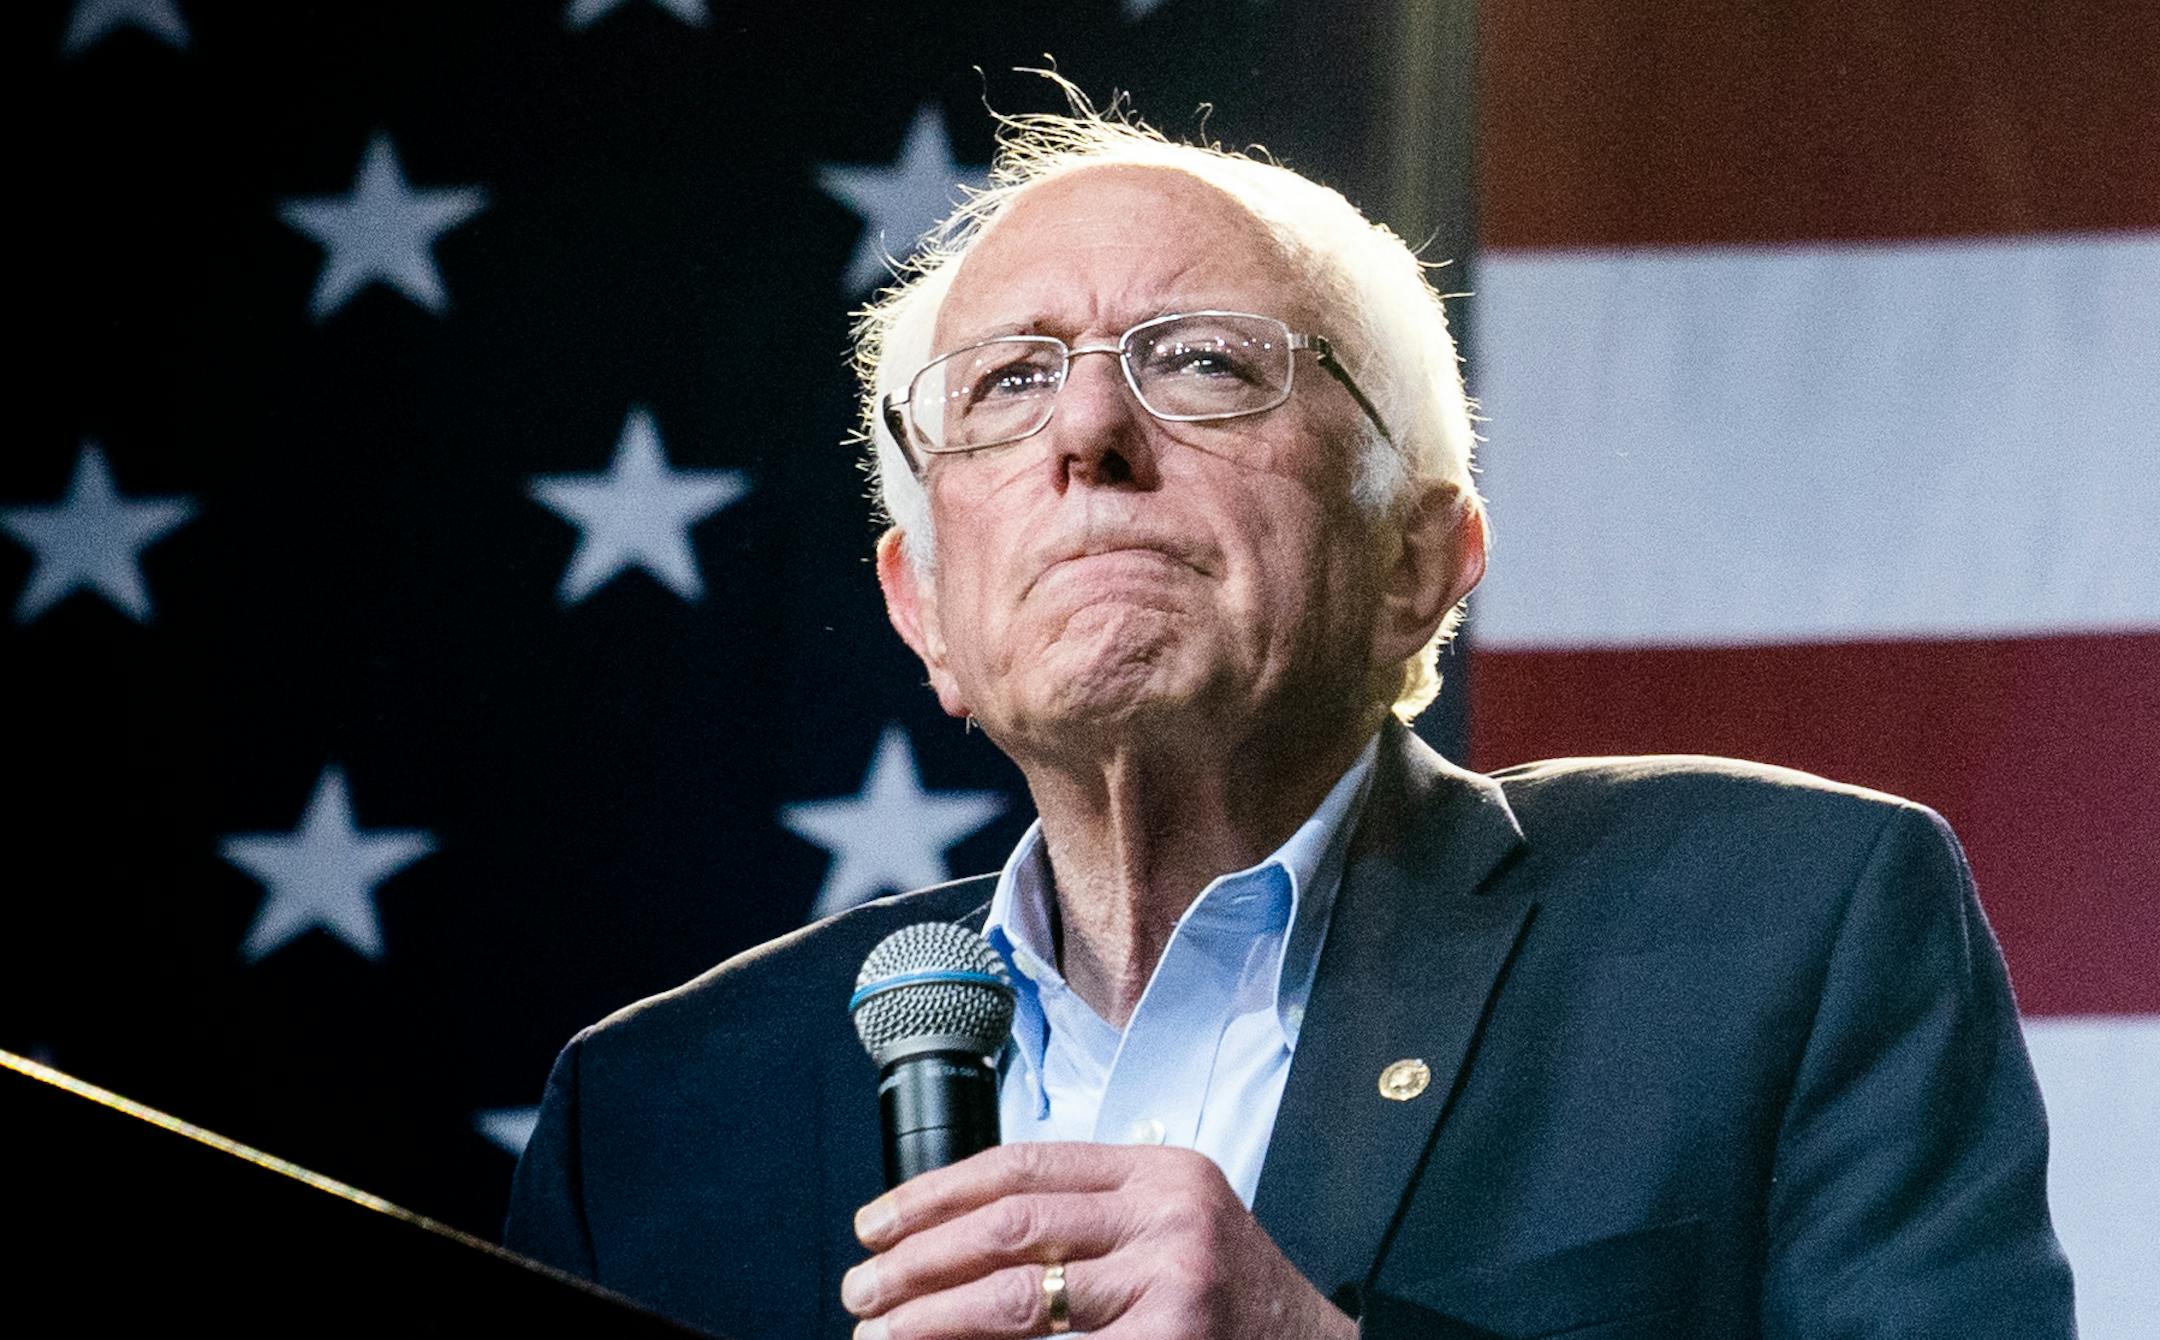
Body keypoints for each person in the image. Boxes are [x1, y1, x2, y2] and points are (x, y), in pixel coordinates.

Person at [505, 103, 2074, 1339]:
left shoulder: (1782, 931)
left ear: (1416, 564)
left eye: (1202, 364)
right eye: (1005, 386)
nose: (1092, 431)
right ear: (927, 611)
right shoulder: (652, 1123)